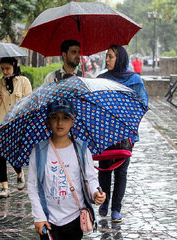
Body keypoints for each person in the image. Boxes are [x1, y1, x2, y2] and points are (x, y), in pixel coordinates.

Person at [27, 99, 106, 240]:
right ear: (48, 121)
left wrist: (95, 193)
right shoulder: (39, 151)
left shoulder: (81, 149)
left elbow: (90, 178)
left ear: (72, 121)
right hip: (48, 218)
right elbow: (33, 186)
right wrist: (38, 216)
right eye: (54, 117)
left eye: (65, 118)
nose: (59, 123)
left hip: (74, 218)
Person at [97, 45, 148, 223]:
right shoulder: (101, 79)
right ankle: (104, 202)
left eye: (110, 56)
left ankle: (116, 208)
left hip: (124, 135)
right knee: (104, 170)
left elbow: (141, 104)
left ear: (120, 59)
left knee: (121, 172)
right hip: (104, 134)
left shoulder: (134, 80)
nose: (107, 60)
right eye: (106, 56)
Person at [0, 57, 32, 199]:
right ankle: (5, 187)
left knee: (13, 154)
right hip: (1, 124)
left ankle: (19, 173)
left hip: (17, 124)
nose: (5, 71)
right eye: (2, 68)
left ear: (14, 67)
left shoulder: (23, 82)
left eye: (7, 68)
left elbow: (29, 102)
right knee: (1, 155)